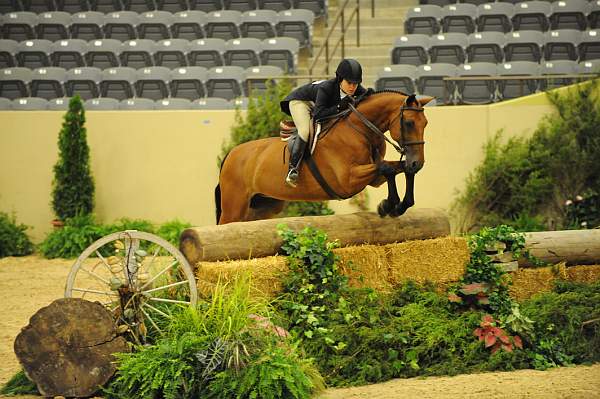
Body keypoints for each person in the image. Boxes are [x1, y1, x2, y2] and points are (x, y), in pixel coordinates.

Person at [280, 58, 369, 188]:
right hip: (301, 102)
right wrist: (339, 106)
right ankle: (293, 169)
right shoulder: (326, 88)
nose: (352, 87)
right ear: (340, 79)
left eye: (355, 84)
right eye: (349, 83)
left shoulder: (356, 88)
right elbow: (319, 115)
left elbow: (366, 96)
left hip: (318, 105)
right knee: (305, 131)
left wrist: (371, 94)